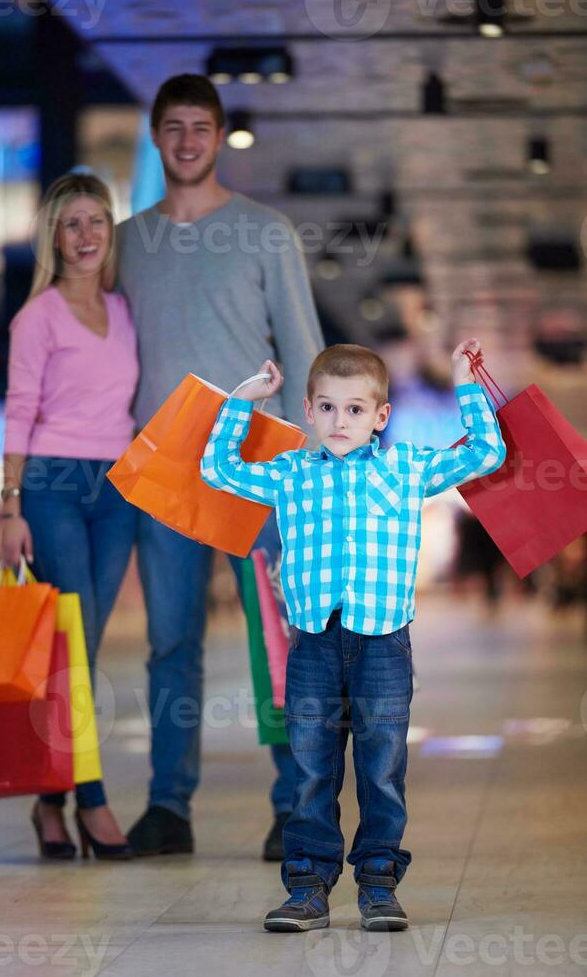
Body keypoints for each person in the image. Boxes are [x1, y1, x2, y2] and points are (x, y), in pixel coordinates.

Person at [201, 340, 506, 932]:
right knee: (311, 767)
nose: (341, 422)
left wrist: (465, 381)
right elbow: (216, 470)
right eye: (328, 408)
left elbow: (488, 451)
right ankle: (309, 886)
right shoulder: (290, 474)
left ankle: (379, 882)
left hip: (384, 642)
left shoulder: (407, 468)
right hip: (313, 641)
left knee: (382, 766)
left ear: (380, 416)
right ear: (309, 413)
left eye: (356, 410)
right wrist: (243, 401)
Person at [117, 74, 324, 860]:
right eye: (173, 127)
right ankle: (168, 807)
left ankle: (295, 805)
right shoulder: (130, 241)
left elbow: (303, 346)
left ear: (220, 133)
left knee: (278, 635)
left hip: (257, 459)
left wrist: (315, 458)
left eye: (201, 126)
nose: (188, 140)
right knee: (171, 642)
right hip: (164, 463)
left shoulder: (267, 231)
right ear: (157, 135)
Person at [1, 172, 139, 861]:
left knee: (81, 646)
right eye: (72, 223)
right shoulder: (38, 317)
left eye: (97, 222)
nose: (87, 236)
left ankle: (47, 803)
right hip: (52, 484)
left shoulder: (124, 309)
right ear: (54, 236)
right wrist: (9, 506)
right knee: (75, 643)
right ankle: (91, 799)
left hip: (117, 489)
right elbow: (19, 410)